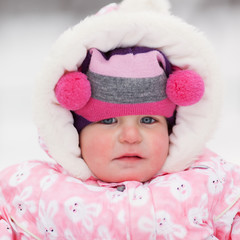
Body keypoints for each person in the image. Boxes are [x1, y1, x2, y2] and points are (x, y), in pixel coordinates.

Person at [0, 0, 240, 239]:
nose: (131, 136)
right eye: (108, 121)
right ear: (74, 134)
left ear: (171, 129)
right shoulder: (36, 189)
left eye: (148, 120)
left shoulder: (211, 182)